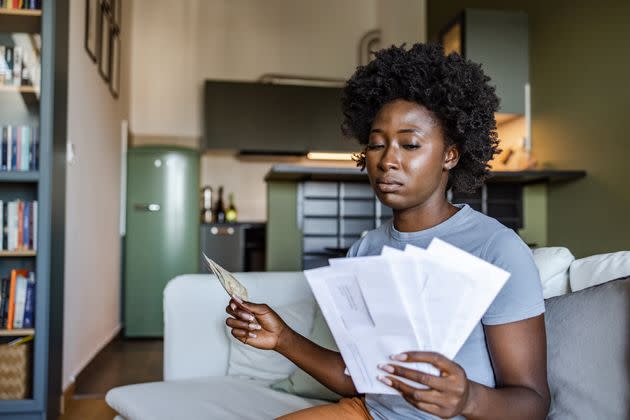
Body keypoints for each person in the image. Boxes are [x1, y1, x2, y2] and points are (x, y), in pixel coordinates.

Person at [225, 43, 549, 420]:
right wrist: (283, 338)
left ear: (451, 154)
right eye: (377, 144)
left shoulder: (498, 249)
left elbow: (533, 402)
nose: (388, 160)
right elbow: (359, 377)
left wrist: (468, 399)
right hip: (369, 412)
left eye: (410, 144)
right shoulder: (366, 250)